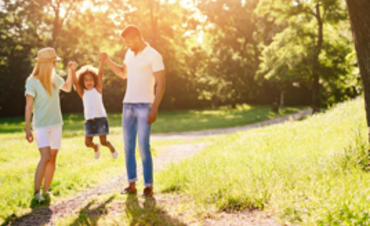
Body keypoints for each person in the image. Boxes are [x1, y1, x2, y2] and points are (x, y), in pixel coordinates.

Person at [101, 25, 166, 196]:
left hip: (145, 106)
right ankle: (131, 184)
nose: (127, 45)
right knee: (128, 146)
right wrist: (108, 61)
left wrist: (155, 107)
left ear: (137, 37)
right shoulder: (129, 54)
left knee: (143, 146)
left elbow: (161, 83)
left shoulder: (154, 55)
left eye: (129, 41)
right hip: (127, 105)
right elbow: (123, 74)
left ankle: (149, 185)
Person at [25, 47, 73, 202]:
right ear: (46, 63)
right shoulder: (32, 81)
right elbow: (28, 106)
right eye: (53, 62)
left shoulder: (54, 78)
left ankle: (46, 191)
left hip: (56, 124)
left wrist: (71, 71)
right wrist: (27, 129)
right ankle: (36, 192)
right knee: (45, 157)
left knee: (53, 158)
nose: (55, 64)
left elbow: (67, 87)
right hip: (41, 126)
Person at [70, 57, 117, 159]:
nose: (89, 82)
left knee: (104, 142)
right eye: (86, 80)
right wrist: (72, 70)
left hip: (101, 119)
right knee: (87, 143)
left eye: (91, 80)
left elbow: (100, 75)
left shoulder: (98, 89)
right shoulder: (83, 92)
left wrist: (101, 62)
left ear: (95, 81)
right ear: (83, 82)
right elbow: (75, 82)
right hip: (89, 121)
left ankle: (111, 148)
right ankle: (95, 147)